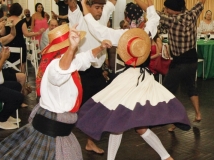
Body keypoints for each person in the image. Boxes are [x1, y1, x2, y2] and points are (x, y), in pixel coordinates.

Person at [76, 0, 191, 160]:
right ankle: (166, 157)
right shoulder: (147, 32)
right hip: (145, 80)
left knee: (119, 123)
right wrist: (149, 5)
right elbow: (154, 18)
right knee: (136, 127)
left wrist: (83, 5)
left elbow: (98, 30)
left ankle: (165, 157)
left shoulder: (122, 36)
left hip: (128, 81)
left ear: (127, 18)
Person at [0, 23, 112, 160]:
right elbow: (60, 72)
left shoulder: (69, 62)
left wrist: (100, 47)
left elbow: (84, 58)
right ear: (65, 48)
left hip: (59, 129)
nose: (77, 50)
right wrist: (72, 48)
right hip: (53, 132)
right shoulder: (55, 66)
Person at [137, 0, 206, 131]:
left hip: (179, 62)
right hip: (192, 60)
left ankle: (175, 120)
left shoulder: (171, 20)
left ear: (172, 9)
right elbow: (201, 2)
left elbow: (149, 10)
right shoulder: (192, 14)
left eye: (167, 8)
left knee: (167, 91)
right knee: (191, 86)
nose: (165, 10)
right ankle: (197, 114)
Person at [68, 0, 116, 154]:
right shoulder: (78, 17)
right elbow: (71, 4)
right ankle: (64, 141)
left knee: (98, 107)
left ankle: (89, 142)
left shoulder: (101, 16)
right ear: (87, 7)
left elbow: (112, 2)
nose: (100, 11)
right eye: (97, 8)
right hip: (82, 71)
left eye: (101, 8)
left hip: (96, 71)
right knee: (78, 109)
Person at [4, 3, 44, 73]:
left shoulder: (7, 20)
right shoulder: (22, 21)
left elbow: (4, 33)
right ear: (20, 11)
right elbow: (27, 34)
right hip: (19, 45)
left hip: (8, 45)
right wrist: (38, 33)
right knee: (22, 63)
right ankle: (23, 78)